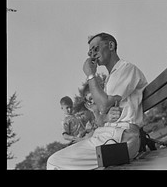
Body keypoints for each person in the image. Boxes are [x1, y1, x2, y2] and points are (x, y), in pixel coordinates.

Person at [47, 32, 147, 170]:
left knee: (54, 163)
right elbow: (102, 118)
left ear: (110, 45)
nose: (92, 54)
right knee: (56, 160)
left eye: (95, 48)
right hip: (107, 135)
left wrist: (90, 75)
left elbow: (104, 104)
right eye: (90, 52)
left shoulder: (126, 68)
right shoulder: (110, 78)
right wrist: (104, 114)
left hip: (122, 139)